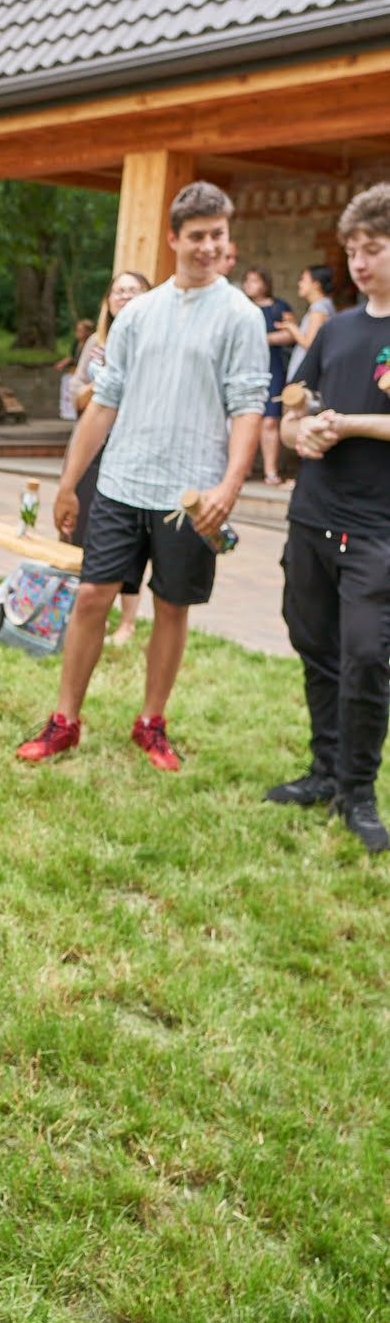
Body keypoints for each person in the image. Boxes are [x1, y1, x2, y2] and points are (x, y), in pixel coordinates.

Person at [16, 182, 268, 771]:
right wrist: (67, 483)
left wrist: (229, 488)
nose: (208, 247)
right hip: (121, 484)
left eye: (218, 237)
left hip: (193, 495)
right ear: (174, 239)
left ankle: (151, 722)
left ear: (227, 242)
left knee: (172, 606)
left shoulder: (242, 317)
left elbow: (249, 407)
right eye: (197, 236)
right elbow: (103, 402)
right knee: (90, 598)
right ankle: (64, 721)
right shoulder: (138, 315)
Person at [267, 185, 390, 854]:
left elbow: (345, 419)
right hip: (311, 516)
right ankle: (323, 771)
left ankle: (359, 790)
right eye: (352, 250)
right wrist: (298, 432)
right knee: (312, 642)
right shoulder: (334, 329)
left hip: (376, 528)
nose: (359, 262)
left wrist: (347, 425)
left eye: (371, 248)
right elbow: (291, 408)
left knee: (367, 656)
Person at [68, 270, 151, 646]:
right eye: (118, 291)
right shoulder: (96, 346)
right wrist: (100, 387)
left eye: (134, 291)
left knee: (131, 535)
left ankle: (127, 622)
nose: (125, 297)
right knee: (83, 526)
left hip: (133, 448)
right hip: (92, 446)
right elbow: (77, 397)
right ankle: (79, 608)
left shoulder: (152, 342)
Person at [243, 266, 296, 486]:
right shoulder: (241, 307)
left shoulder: (279, 306)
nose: (249, 285)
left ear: (265, 283)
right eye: (247, 281)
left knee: (270, 420)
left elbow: (291, 333)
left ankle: (270, 470)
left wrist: (263, 339)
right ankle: (243, 468)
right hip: (246, 367)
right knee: (245, 417)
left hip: (272, 365)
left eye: (254, 280)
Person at [279, 263, 336, 383]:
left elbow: (310, 343)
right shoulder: (324, 305)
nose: (299, 284)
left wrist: (291, 327)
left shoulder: (319, 309)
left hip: (306, 375)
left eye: (303, 280)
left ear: (316, 284)